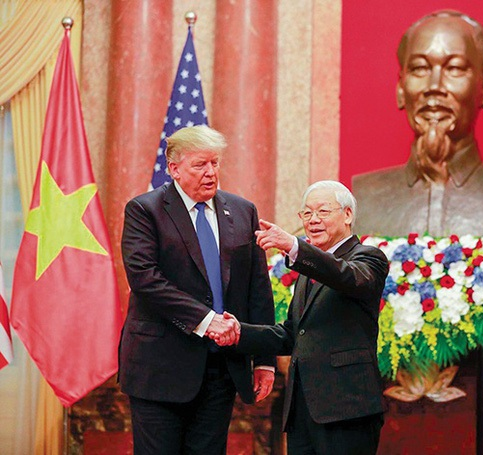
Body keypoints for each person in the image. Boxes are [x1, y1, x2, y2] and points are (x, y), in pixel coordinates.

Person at [119, 125, 276, 454]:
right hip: (160, 368)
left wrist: (264, 359)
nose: (211, 173)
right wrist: (207, 321)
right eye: (200, 165)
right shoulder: (145, 210)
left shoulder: (243, 211)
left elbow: (257, 288)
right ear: (174, 168)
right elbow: (145, 278)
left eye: (215, 163)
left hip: (221, 370)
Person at [214, 180, 389, 455]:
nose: (313, 220)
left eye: (323, 211)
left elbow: (349, 278)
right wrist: (239, 332)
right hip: (303, 411)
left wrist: (294, 246)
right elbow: (292, 334)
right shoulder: (308, 271)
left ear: (347, 215)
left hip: (347, 410)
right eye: (307, 213)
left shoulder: (368, 258)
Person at [352, 9, 483, 238]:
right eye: (420, 68)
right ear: (400, 89)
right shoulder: (365, 194)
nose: (434, 86)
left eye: (454, 68)